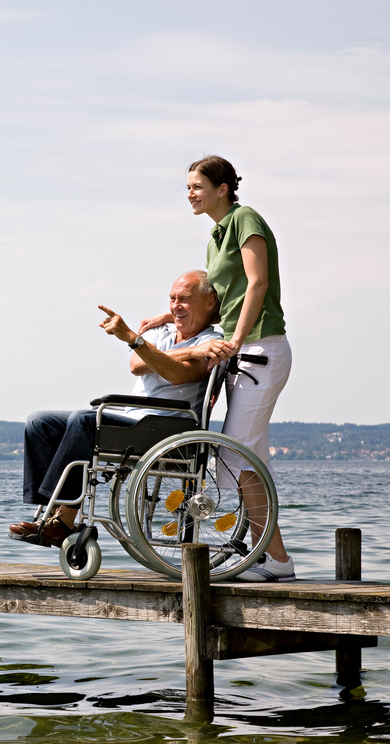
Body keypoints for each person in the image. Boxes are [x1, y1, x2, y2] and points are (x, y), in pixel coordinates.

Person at [139, 156, 294, 582]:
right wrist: (165, 319)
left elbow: (257, 283)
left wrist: (238, 339)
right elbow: (217, 301)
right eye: (187, 187)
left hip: (261, 349)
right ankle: (273, 556)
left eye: (197, 186)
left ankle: (275, 559)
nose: (190, 193)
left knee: (236, 455)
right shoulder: (215, 235)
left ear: (222, 188)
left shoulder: (245, 219)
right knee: (249, 456)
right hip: (244, 353)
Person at [10, 270, 222, 547]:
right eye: (172, 299)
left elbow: (178, 375)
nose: (175, 306)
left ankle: (63, 520)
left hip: (166, 427)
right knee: (39, 421)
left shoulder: (211, 341)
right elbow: (136, 365)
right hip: (132, 418)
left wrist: (138, 341)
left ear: (209, 302)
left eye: (184, 299)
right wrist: (181, 351)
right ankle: (49, 511)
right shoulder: (161, 331)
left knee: (85, 420)